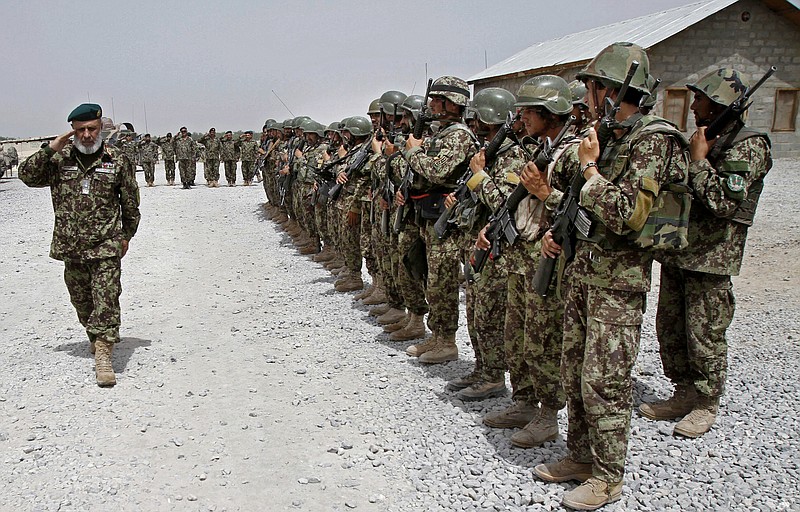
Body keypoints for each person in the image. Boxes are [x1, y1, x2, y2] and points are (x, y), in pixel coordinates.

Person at [532, 42, 689, 510]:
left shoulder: (653, 141)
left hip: (619, 284)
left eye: (594, 87)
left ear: (615, 88)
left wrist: (588, 167)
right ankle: (580, 456)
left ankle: (608, 476)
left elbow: (628, 215)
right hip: (584, 274)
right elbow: (576, 198)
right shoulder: (612, 136)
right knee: (575, 371)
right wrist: (556, 220)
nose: (589, 97)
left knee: (605, 380)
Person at [639, 67, 772, 438]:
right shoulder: (702, 137)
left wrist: (698, 160)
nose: (693, 106)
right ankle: (682, 392)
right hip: (679, 250)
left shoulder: (749, 145)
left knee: (705, 333)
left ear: (720, 106)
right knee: (670, 328)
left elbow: (722, 202)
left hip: (711, 258)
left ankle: (706, 402)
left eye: (700, 99)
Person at [18, 103, 140, 387]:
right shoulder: (59, 159)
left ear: (101, 129)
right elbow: (27, 176)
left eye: (91, 129)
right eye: (80, 129)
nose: (86, 135)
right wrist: (50, 149)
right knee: (81, 300)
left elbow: (130, 202)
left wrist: (126, 236)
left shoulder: (117, 159)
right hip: (71, 246)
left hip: (106, 244)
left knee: (106, 298)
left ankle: (104, 352)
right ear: (72, 130)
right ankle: (96, 335)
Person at [400, 75, 478, 363]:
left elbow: (436, 172)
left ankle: (446, 341)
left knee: (442, 282)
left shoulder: (458, 135)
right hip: (428, 215)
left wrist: (413, 151)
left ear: (451, 103)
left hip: (446, 219)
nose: (432, 104)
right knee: (431, 278)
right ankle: (436, 336)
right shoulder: (442, 133)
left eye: (437, 99)